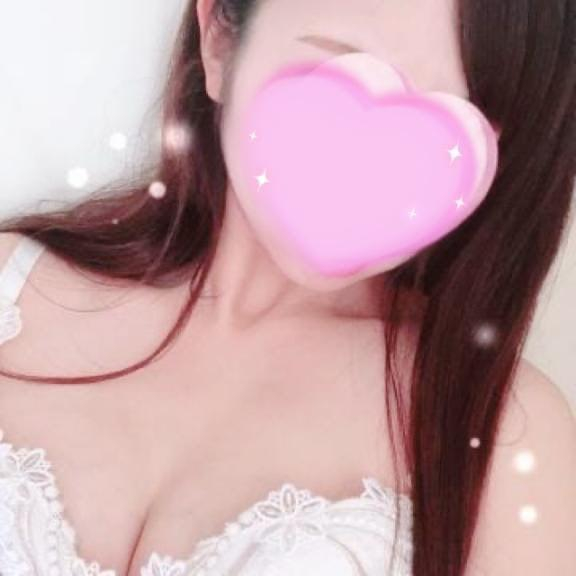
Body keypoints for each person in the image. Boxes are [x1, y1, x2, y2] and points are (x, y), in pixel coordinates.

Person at [0, 0, 575, 575]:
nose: (374, 162)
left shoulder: (508, 437)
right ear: (219, 39)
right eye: (343, 65)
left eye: (455, 116)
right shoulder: (12, 284)